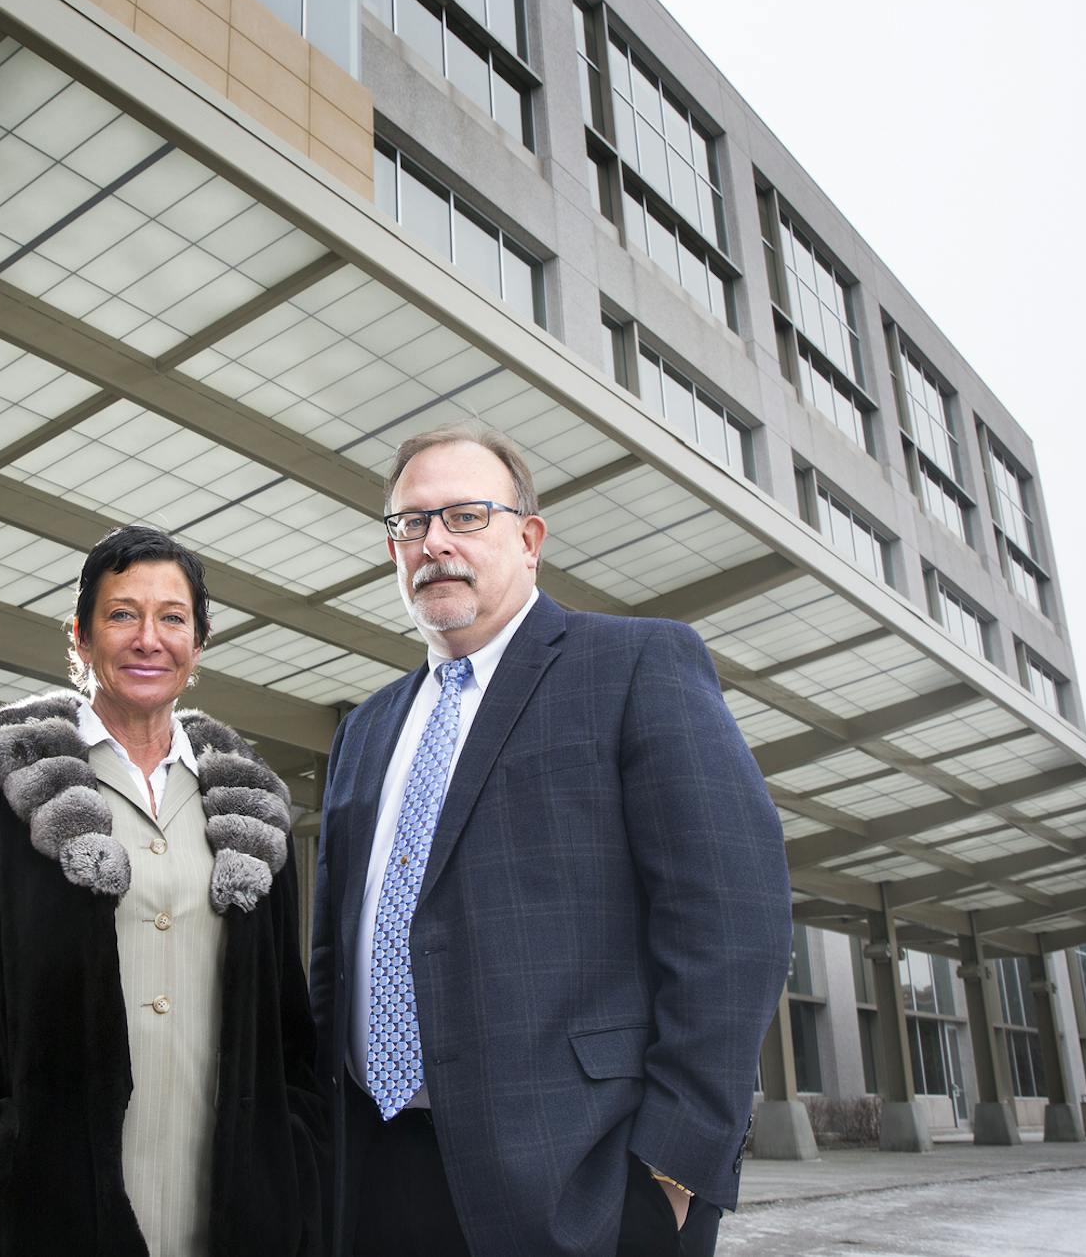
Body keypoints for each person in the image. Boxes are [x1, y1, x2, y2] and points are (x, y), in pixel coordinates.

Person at [309, 428, 793, 1257]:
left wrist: (672, 1176)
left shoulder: (637, 665)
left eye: (466, 516)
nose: (436, 543)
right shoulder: (366, 728)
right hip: (371, 1174)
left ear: (529, 539)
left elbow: (733, 920)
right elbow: (333, 955)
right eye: (411, 523)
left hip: (577, 1183)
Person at [0, 525, 327, 1257]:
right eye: (122, 613)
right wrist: (1, 1183)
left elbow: (288, 1034)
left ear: (200, 642)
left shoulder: (251, 810)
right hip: (49, 1222)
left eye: (172, 617)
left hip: (225, 1218)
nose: (148, 638)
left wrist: (287, 1172)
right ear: (82, 635)